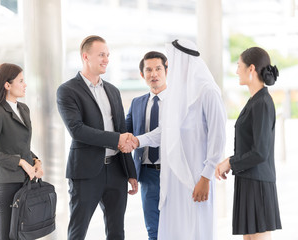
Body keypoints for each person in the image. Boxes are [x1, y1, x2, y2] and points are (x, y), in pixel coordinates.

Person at [121, 39, 227, 240]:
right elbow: (165, 131)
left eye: (169, 64)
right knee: (173, 232)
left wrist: (206, 176)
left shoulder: (208, 92)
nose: (168, 70)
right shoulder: (179, 95)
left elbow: (218, 137)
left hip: (197, 177)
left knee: (196, 230)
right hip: (174, 179)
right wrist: (137, 141)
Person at [56, 35, 138, 240]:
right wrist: (116, 139)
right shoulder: (67, 90)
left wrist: (130, 171)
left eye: (108, 55)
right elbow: (77, 129)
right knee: (78, 231)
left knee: (117, 231)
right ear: (86, 56)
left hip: (117, 171)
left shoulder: (113, 90)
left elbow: (121, 129)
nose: (106, 59)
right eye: (101, 54)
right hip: (86, 172)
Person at [215, 47, 282, 240]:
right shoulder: (255, 100)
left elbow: (260, 152)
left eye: (238, 66)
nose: (236, 71)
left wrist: (230, 162)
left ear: (251, 68)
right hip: (249, 180)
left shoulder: (261, 103)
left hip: (258, 182)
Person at [0, 63, 44, 239]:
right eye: (21, 81)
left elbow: (22, 146)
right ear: (7, 85)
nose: (25, 85)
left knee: (27, 235)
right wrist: (21, 162)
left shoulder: (24, 109)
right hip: (8, 185)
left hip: (27, 182)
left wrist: (36, 161)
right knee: (9, 237)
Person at [125, 51, 167, 240]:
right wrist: (131, 173)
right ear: (142, 75)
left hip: (172, 173)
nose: (153, 74)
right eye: (148, 70)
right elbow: (125, 136)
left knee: (175, 228)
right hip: (147, 174)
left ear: (166, 70)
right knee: (153, 230)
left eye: (158, 69)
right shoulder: (137, 103)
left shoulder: (178, 102)